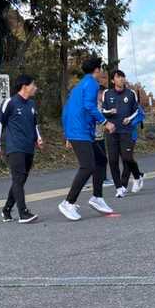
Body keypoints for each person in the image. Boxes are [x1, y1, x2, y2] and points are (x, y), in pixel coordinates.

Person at [59, 55, 114, 219]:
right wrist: (105, 122)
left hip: (78, 131)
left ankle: (97, 197)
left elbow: (66, 111)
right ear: (97, 69)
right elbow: (89, 106)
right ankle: (68, 203)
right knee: (87, 166)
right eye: (101, 68)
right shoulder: (92, 83)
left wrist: (67, 134)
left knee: (101, 160)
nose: (102, 71)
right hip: (80, 131)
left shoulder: (78, 86)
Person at [0, 73, 42, 223]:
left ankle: (6, 209)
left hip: (28, 148)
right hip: (15, 147)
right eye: (33, 85)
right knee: (18, 179)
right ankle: (23, 213)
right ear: (24, 86)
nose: (35, 88)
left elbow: (35, 124)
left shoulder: (32, 104)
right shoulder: (10, 102)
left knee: (20, 181)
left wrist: (38, 138)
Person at [101, 68, 146, 197]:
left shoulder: (131, 93)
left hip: (126, 131)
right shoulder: (107, 93)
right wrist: (110, 112)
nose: (121, 79)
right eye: (118, 77)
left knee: (127, 158)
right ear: (112, 80)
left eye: (123, 76)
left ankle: (137, 176)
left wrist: (129, 119)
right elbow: (103, 111)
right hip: (111, 131)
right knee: (113, 160)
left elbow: (137, 111)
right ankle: (119, 188)